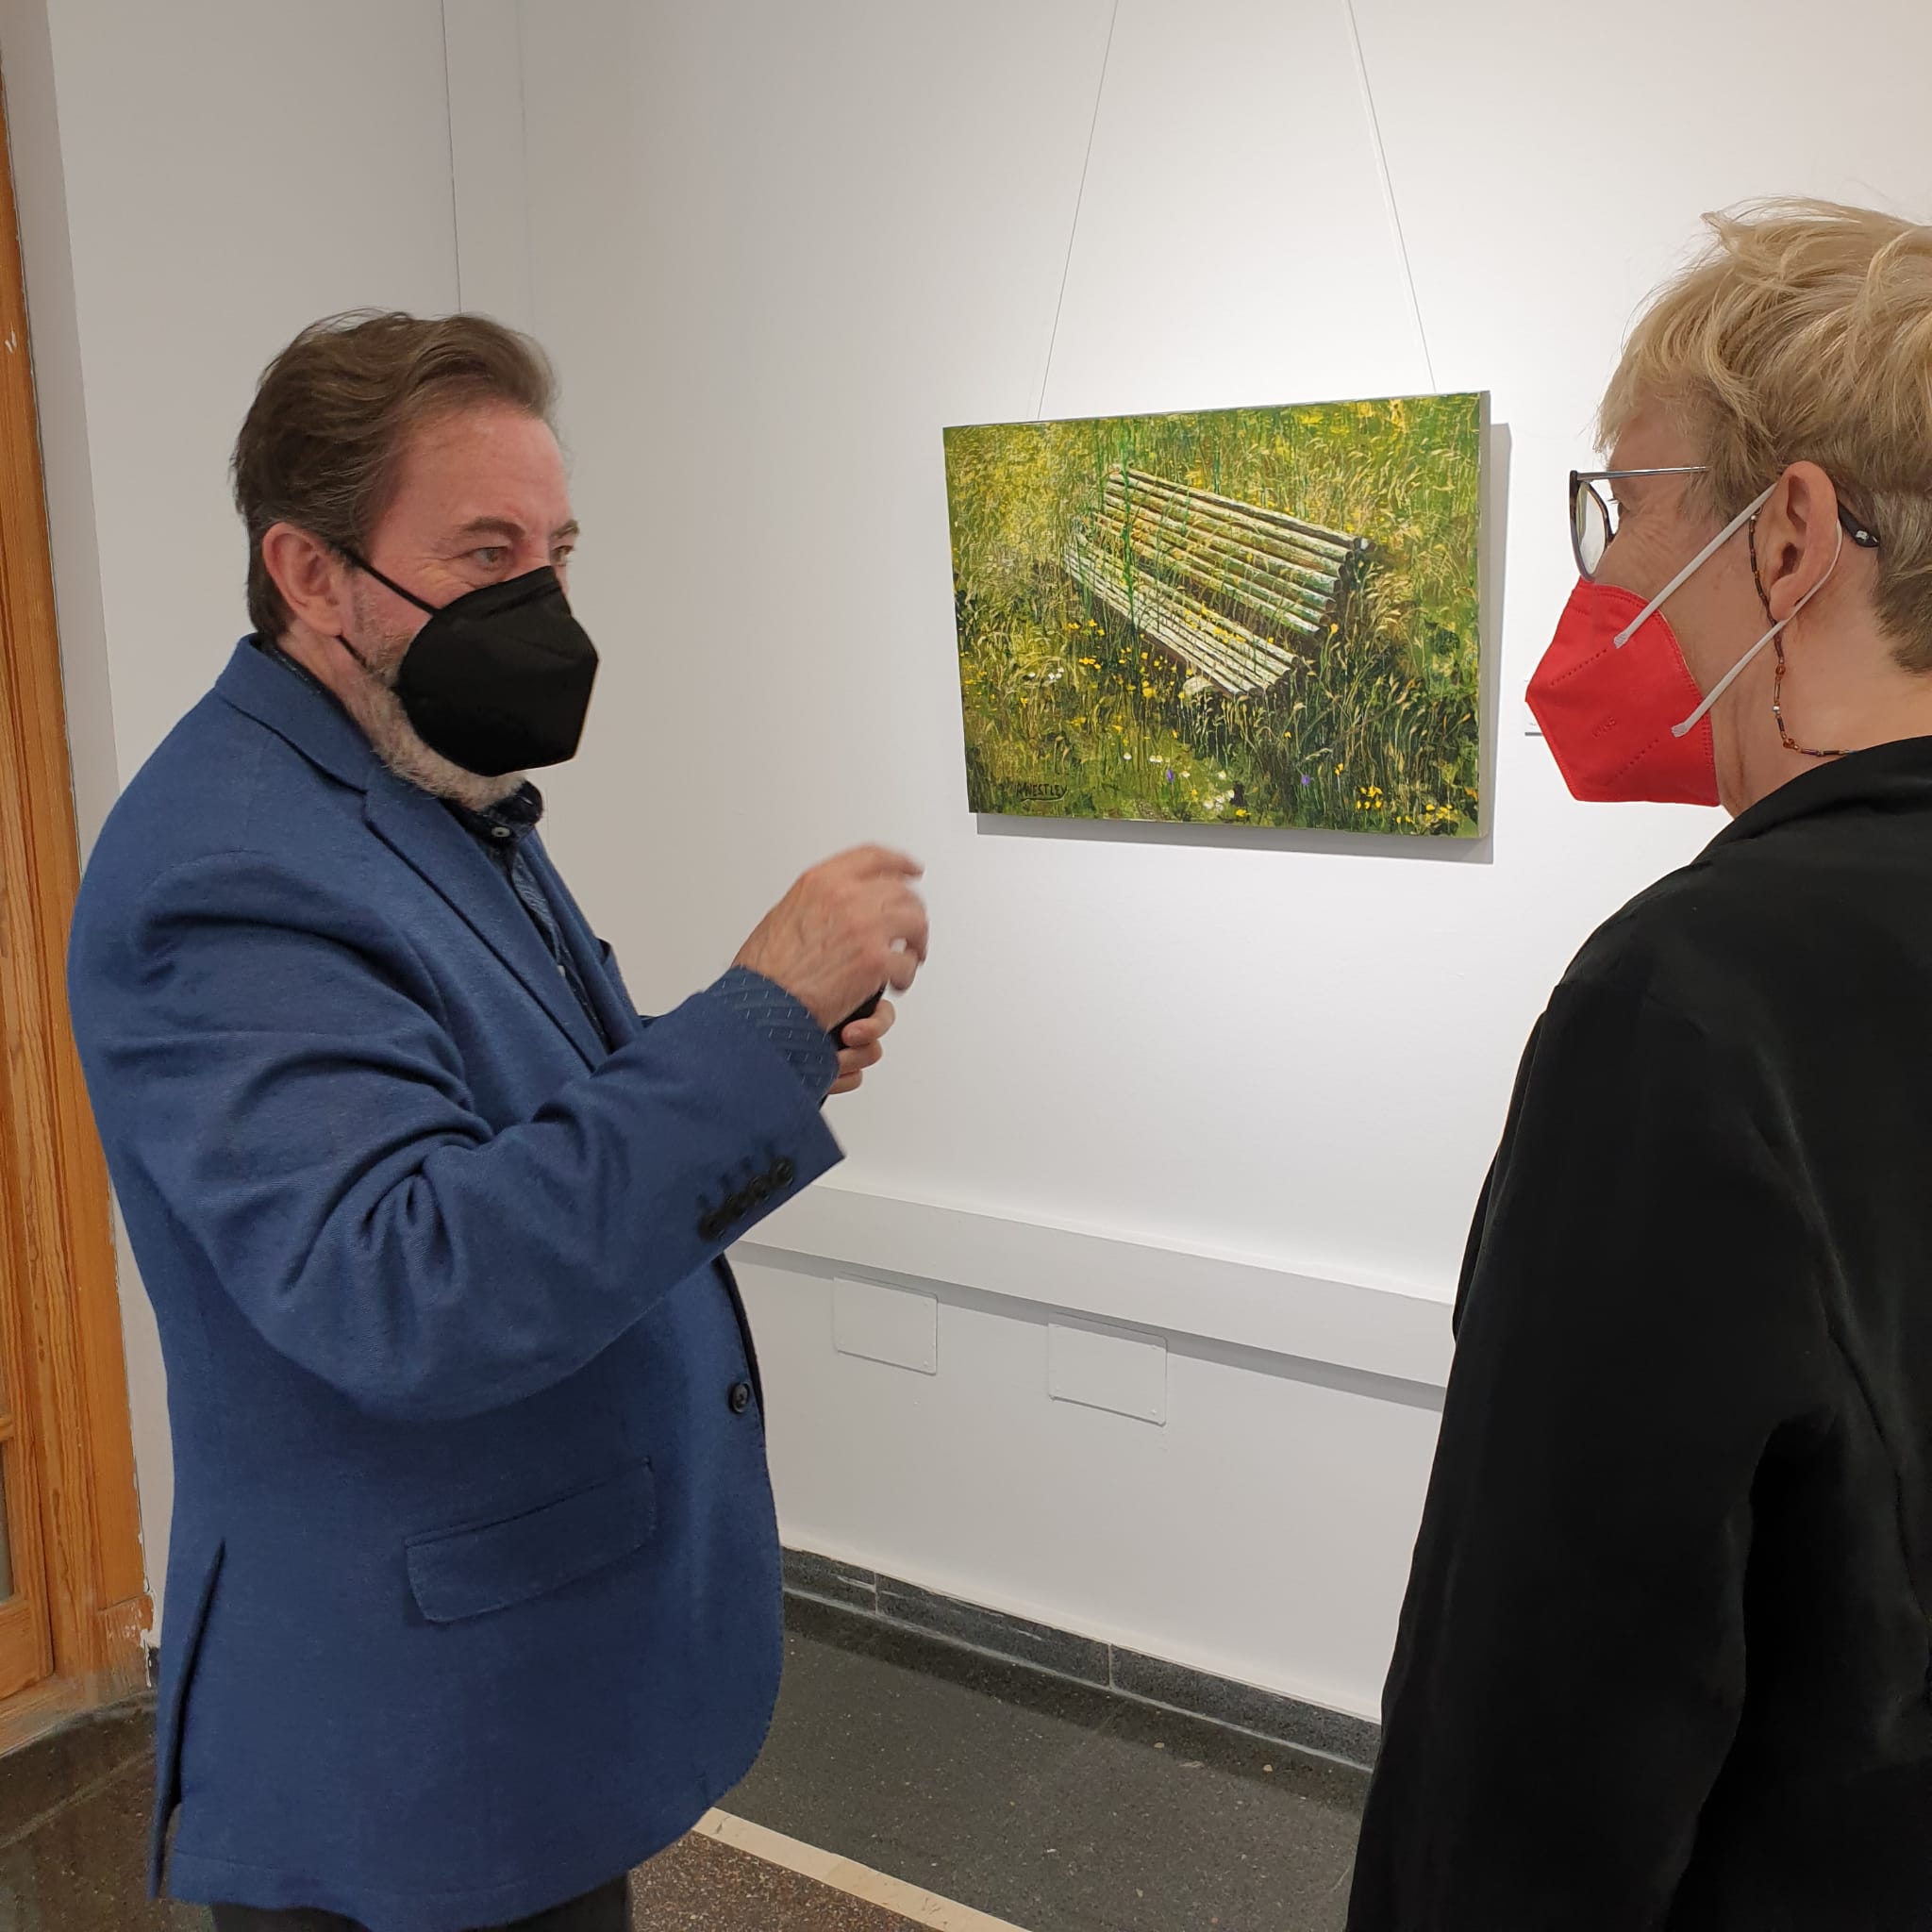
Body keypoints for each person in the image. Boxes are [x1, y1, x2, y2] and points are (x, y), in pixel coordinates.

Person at [65, 311, 927, 1932]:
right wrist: (750, 1022)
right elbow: (409, 1284)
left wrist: (763, 1054)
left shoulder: (422, 782)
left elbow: (504, 1118)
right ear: (310, 574)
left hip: (517, 1697)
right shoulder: (227, 865)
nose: (541, 603)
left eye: (556, 552)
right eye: (485, 553)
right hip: (402, 1751)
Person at [1347, 200, 1932, 1930]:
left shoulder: (1690, 1000)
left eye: (1626, 503)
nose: (1598, 579)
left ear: (1792, 535)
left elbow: (1551, 1710)